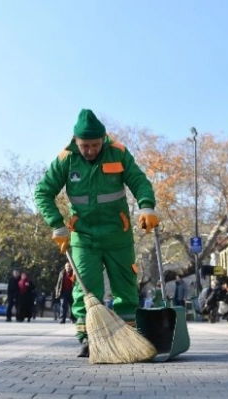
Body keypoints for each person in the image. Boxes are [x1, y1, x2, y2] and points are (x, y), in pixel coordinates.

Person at [34, 108, 159, 358]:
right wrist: (57, 225)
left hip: (117, 234)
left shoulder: (119, 153)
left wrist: (147, 206)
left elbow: (139, 181)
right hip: (83, 236)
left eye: (94, 145)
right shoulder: (66, 159)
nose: (90, 150)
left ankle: (129, 337)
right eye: (85, 146)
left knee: (125, 289)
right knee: (86, 290)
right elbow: (42, 192)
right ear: (75, 141)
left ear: (103, 139)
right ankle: (89, 339)